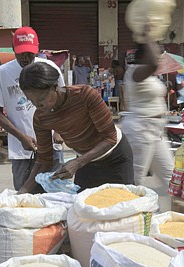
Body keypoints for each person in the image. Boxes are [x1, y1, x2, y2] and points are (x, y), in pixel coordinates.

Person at [17, 62, 134, 194]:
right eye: (32, 101)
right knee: (81, 209)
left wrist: (77, 163)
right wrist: (24, 190)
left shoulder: (84, 95)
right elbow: (44, 159)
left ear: (54, 87)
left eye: (42, 98)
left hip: (115, 157)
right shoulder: (40, 117)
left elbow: (110, 138)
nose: (38, 105)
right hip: (86, 163)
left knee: (122, 204)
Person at [0, 26, 65, 190]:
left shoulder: (50, 68)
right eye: (20, 53)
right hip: (21, 151)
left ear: (37, 49)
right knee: (25, 198)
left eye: (29, 53)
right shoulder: (1, 74)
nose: (25, 57)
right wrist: (21, 137)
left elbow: (63, 101)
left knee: (58, 196)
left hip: (52, 146)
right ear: (13, 49)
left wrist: (58, 130)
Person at [120, 34, 174, 187]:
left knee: (170, 175)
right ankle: (130, 208)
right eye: (156, 49)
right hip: (140, 129)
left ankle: (176, 209)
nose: (160, 53)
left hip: (156, 130)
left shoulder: (150, 76)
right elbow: (153, 63)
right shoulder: (134, 72)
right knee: (136, 178)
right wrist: (149, 34)